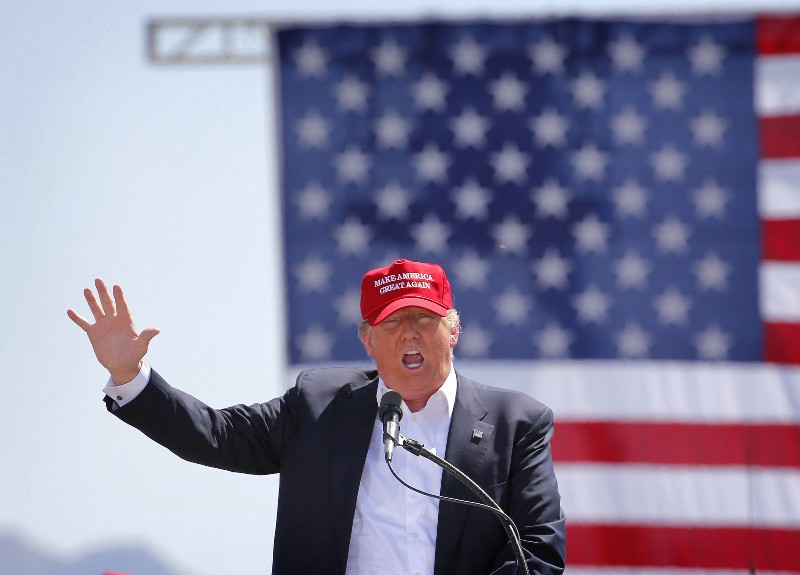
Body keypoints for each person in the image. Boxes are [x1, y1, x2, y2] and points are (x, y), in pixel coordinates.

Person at [68, 258, 566, 575]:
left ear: (453, 330)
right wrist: (131, 375)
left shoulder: (515, 422)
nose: (410, 335)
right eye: (392, 323)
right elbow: (218, 436)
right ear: (367, 341)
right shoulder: (320, 405)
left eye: (424, 319)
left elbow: (538, 549)